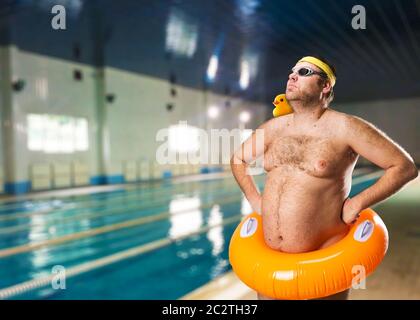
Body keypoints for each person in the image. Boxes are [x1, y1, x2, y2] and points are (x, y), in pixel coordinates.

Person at [230, 56, 418, 300]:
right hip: (271, 263)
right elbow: (238, 160)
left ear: (325, 85)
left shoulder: (346, 128)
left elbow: (403, 166)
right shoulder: (272, 129)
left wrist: (357, 203)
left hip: (323, 262)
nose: (292, 76)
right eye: (292, 71)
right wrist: (255, 199)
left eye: (304, 71)